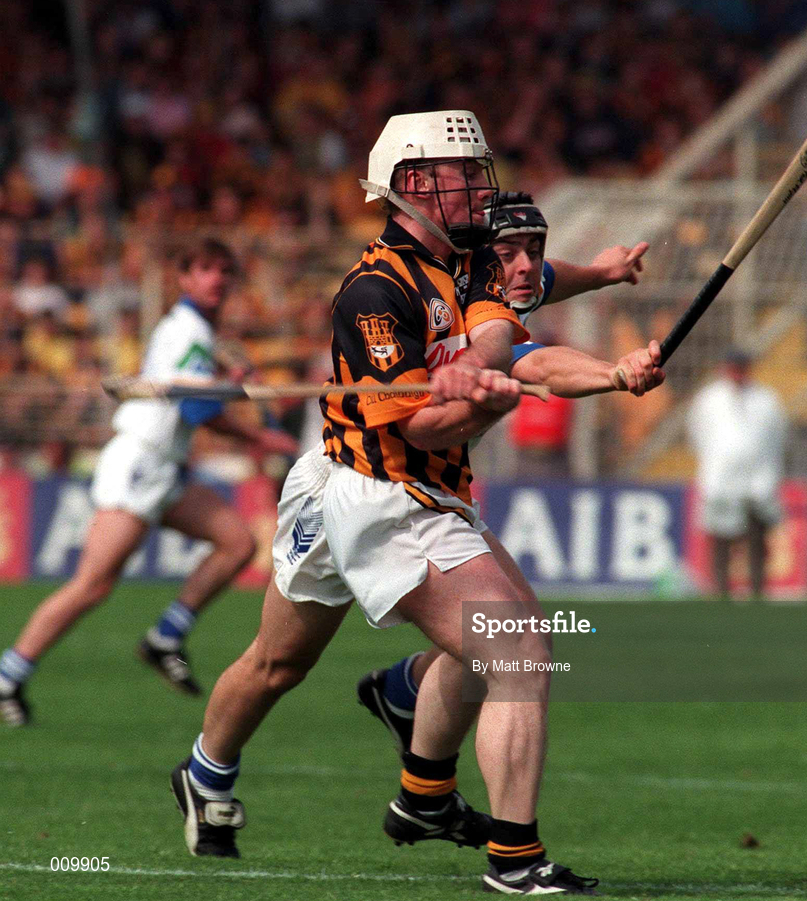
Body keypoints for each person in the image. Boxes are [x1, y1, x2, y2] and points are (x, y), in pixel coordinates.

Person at [169, 111, 611, 894]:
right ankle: (510, 857)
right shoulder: (374, 293)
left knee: (290, 660)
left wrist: (601, 290)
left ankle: (405, 778)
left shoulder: (473, 259)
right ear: (410, 185)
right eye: (461, 173)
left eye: (479, 171)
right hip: (378, 495)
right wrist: (480, 397)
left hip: (390, 487)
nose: (480, 185)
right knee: (510, 648)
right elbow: (423, 421)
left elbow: (534, 288)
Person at [356, 190, 664, 756]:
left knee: (506, 635)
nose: (525, 265)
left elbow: (548, 280)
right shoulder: (468, 298)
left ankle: (417, 763)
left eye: (534, 248)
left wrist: (603, 272)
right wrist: (614, 373)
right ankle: (211, 770)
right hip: (359, 480)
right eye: (510, 252)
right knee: (275, 664)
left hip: (427, 485)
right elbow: (537, 363)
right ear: (479, 257)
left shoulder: (504, 280)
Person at [0, 239, 299, 728]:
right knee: (92, 585)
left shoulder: (198, 332)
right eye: (204, 268)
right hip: (141, 463)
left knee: (237, 542)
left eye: (224, 270)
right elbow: (196, 407)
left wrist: (229, 381)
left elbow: (200, 391)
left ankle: (165, 637)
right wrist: (260, 436)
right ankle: (8, 675)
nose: (216, 279)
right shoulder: (185, 332)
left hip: (165, 469)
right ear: (184, 279)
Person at [685, 348, 787, 598]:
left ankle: (757, 591)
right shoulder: (709, 399)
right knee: (721, 537)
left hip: (757, 478)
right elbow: (696, 434)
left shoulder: (766, 399)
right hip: (721, 477)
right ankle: (719, 590)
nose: (737, 373)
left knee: (756, 536)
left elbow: (778, 437)